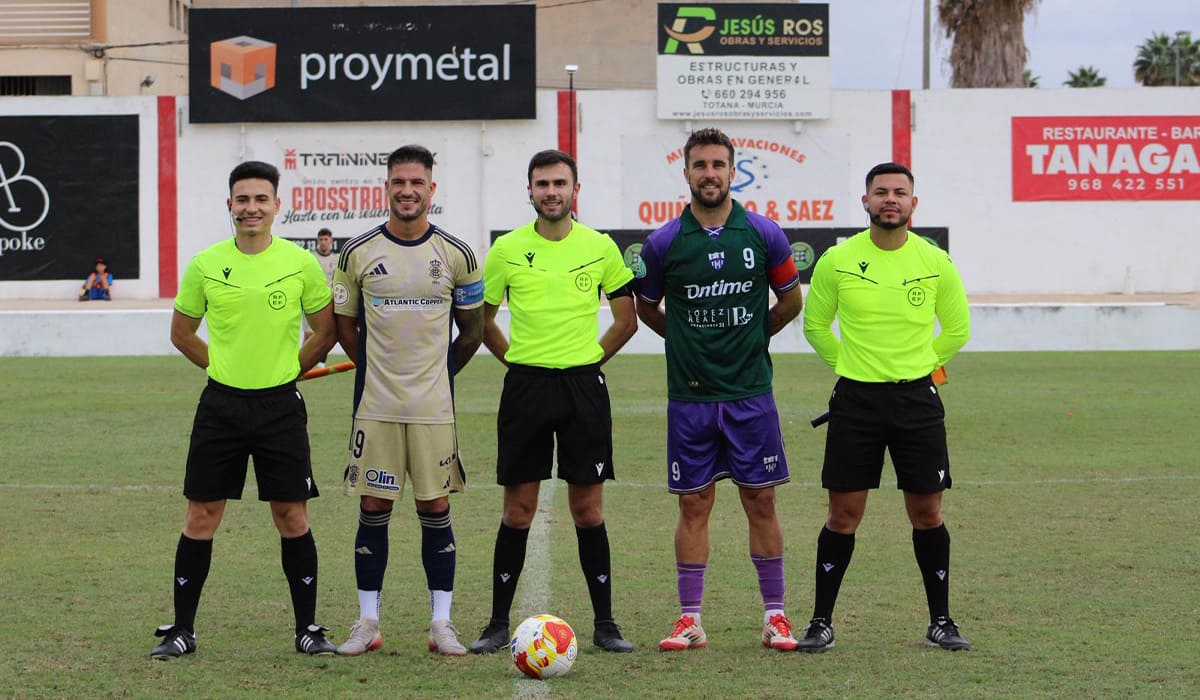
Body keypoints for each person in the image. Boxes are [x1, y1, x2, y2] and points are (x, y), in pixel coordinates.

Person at [150, 160, 338, 660]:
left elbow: (326, 331)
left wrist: (288, 370)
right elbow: (181, 334)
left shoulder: (299, 264)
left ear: (278, 205)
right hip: (221, 406)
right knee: (202, 514)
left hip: (280, 406)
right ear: (229, 205)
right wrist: (226, 368)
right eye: (242, 199)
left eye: (260, 199)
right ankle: (182, 631)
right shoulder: (206, 263)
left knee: (291, 515)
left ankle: (308, 630)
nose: (251, 208)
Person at [633, 128, 804, 653]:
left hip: (751, 393)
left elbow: (791, 301)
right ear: (686, 173)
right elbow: (645, 308)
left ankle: (775, 617)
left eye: (718, 165)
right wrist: (688, 342)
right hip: (690, 399)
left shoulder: (763, 233)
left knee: (761, 499)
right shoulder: (664, 243)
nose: (709, 173)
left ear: (734, 172)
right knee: (693, 504)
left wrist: (753, 338)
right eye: (700, 165)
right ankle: (690, 620)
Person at [797, 162, 972, 652]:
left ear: (914, 204)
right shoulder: (838, 260)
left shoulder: (935, 262)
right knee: (843, 515)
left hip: (918, 400)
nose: (890, 199)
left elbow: (957, 330)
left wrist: (920, 366)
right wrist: (850, 363)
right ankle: (820, 622)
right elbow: (815, 326)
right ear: (866, 202)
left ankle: (941, 621)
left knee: (927, 512)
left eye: (900, 192)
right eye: (881, 192)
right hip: (855, 401)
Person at [469, 149, 638, 655]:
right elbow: (483, 320)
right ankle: (498, 623)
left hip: (583, 389)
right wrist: (518, 362)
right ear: (530, 191)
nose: (551, 191)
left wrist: (587, 362)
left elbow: (626, 320)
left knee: (587, 509)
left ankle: (606, 623)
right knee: (518, 509)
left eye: (559, 183)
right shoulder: (506, 250)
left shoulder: (600, 247)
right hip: (526, 388)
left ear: (575, 189)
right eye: (541, 183)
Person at [331, 145, 484, 657]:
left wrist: (436, 376)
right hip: (376, 406)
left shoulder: (458, 254)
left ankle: (441, 625)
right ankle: (367, 622)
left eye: (416, 182)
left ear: (430, 190)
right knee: (373, 507)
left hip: (433, 409)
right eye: (399, 181)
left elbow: (472, 332)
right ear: (388, 187)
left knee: (434, 507)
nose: (407, 190)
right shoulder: (358, 252)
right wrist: (379, 372)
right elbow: (345, 327)